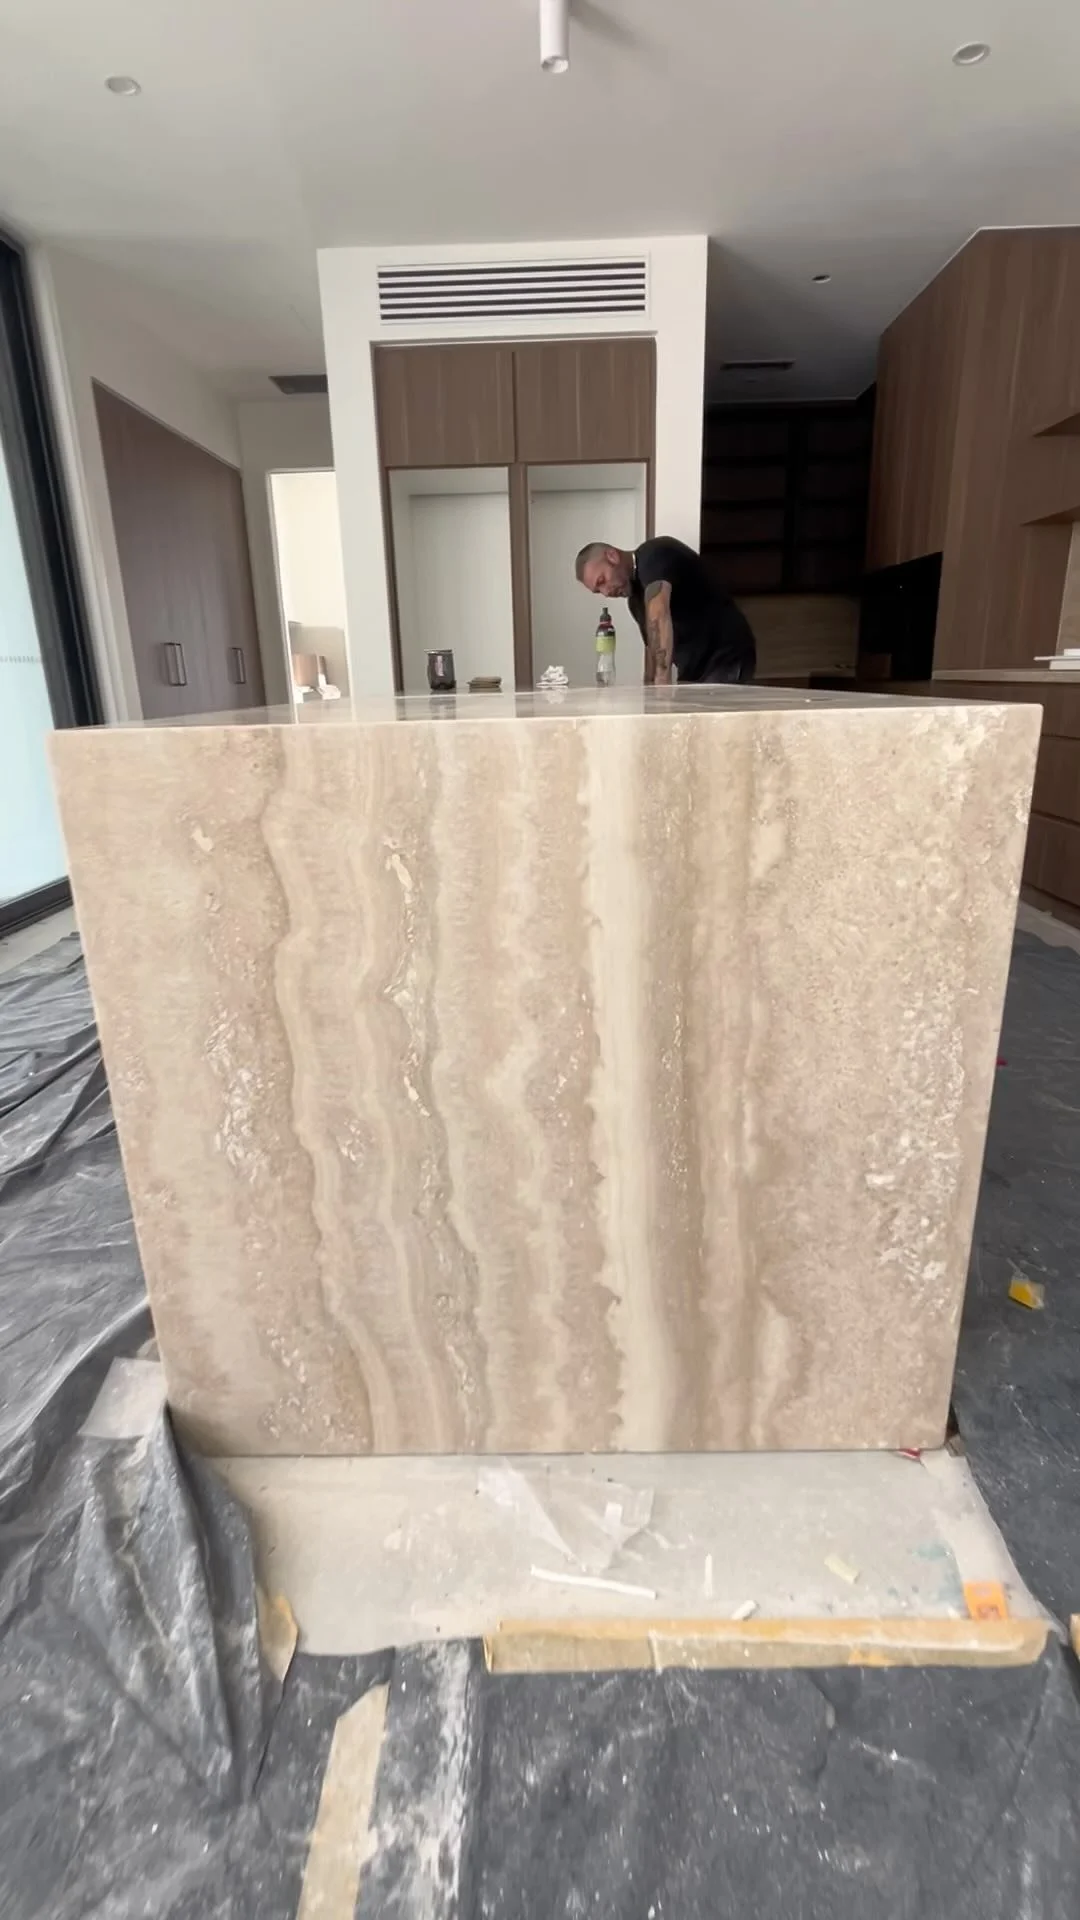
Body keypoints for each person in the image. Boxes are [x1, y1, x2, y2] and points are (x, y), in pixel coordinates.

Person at [575, 536, 756, 685]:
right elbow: (653, 648)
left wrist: (662, 682)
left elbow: (659, 612)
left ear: (612, 556)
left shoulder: (654, 555)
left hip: (726, 655)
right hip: (694, 671)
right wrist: (650, 690)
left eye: (602, 581)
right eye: (598, 591)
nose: (606, 592)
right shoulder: (635, 601)